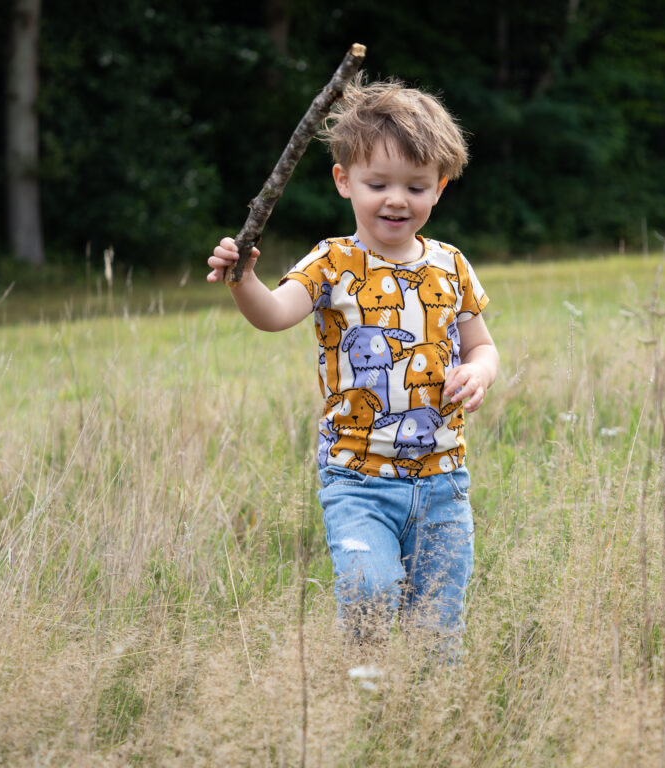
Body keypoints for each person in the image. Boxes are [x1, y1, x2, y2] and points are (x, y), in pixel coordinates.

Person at [206, 77, 498, 662]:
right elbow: (274, 314)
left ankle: (426, 716)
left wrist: (480, 373)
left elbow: (482, 345)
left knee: (439, 619)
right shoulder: (332, 263)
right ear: (344, 181)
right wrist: (244, 281)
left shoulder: (451, 265)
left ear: (439, 188)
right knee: (369, 589)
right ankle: (365, 689)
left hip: (443, 479)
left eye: (416, 186)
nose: (397, 199)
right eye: (378, 183)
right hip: (359, 478)